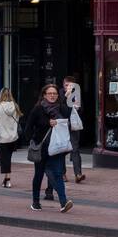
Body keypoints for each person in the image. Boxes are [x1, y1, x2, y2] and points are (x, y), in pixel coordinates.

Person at [24, 83, 73, 213]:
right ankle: (35, 202)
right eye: (50, 93)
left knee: (57, 173)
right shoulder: (38, 109)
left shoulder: (60, 108)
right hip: (42, 147)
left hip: (56, 146)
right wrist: (46, 125)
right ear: (44, 95)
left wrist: (67, 98)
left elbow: (69, 114)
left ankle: (64, 202)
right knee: (39, 174)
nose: (52, 96)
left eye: (55, 94)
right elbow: (28, 127)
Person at [0, 88, 21, 189]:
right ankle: (6, 179)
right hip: (13, 137)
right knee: (8, 158)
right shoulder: (15, 106)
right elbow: (17, 119)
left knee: (5, 159)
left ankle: (8, 179)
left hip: (2, 137)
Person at [63, 75, 86, 184]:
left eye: (70, 86)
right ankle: (62, 174)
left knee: (75, 149)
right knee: (61, 150)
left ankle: (78, 174)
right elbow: (58, 107)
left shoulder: (76, 95)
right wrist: (66, 96)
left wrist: (77, 108)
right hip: (62, 125)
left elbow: (82, 109)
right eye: (66, 85)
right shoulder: (57, 93)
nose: (68, 87)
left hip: (73, 126)